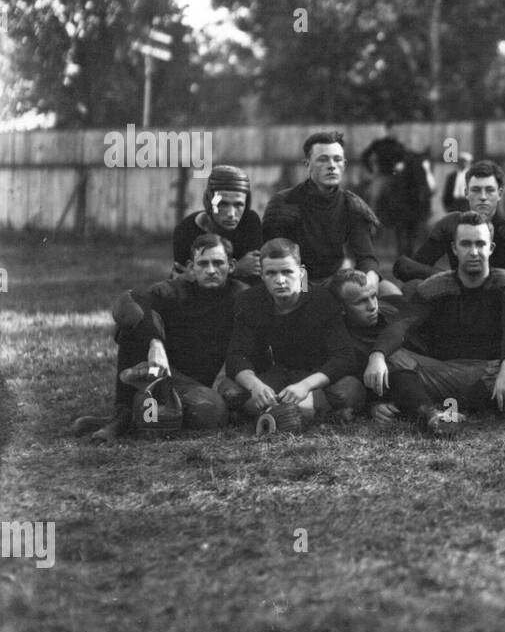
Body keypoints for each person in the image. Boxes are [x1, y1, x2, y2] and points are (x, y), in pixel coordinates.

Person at [364, 213, 505, 437]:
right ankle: (431, 415)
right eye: (466, 244)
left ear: (491, 248)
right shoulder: (434, 286)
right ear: (454, 249)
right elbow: (402, 325)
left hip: (490, 373)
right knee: (390, 357)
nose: (473, 252)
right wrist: (376, 356)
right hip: (443, 374)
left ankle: (412, 401)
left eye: (480, 244)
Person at [71, 234, 247, 443]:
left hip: (188, 384)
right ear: (191, 267)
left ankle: (147, 413)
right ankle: (123, 415)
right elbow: (127, 301)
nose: (211, 270)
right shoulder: (173, 290)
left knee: (212, 413)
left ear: (232, 265)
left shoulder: (241, 295)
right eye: (203, 263)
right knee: (136, 319)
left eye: (218, 263)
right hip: (154, 368)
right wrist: (155, 343)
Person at [226, 238, 365, 426]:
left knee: (350, 390)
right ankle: (299, 413)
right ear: (262, 276)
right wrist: (255, 385)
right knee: (229, 390)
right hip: (272, 376)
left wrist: (306, 386)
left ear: (300, 274)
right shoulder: (249, 300)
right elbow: (236, 355)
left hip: (314, 376)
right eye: (271, 273)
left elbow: (344, 357)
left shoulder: (322, 300)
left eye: (287, 272)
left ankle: (278, 412)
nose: (280, 280)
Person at [263, 131, 384, 292]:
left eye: (337, 159)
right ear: (307, 165)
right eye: (323, 159)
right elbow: (277, 259)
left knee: (390, 292)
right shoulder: (284, 203)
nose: (332, 165)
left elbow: (366, 256)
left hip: (335, 280)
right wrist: (306, 292)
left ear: (344, 165)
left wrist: (370, 279)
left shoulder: (352, 205)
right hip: (294, 282)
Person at [393, 159, 505, 285]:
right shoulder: (450, 225)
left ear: (500, 194)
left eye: (490, 190)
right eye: (476, 190)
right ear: (466, 193)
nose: (483, 197)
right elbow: (414, 267)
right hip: (457, 304)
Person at [328, 268, 403, 423]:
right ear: (341, 308)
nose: (372, 306)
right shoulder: (339, 339)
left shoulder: (389, 312)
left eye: (373, 296)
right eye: (361, 301)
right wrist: (372, 406)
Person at [172, 164, 262, 286]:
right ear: (209, 202)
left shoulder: (250, 222)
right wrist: (235, 269)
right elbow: (187, 282)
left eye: (238, 205)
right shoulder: (185, 231)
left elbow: (254, 273)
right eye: (223, 204)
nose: (231, 214)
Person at [381, 147, 434, 259]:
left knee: (427, 192)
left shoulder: (419, 164)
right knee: (383, 190)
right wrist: (395, 168)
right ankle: (382, 216)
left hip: (414, 195)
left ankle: (426, 211)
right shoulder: (397, 151)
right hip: (394, 174)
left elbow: (423, 182)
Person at [359, 121, 410, 218]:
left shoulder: (400, 146)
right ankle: (371, 220)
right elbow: (365, 156)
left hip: (397, 177)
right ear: (388, 130)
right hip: (382, 176)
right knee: (375, 195)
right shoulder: (379, 144)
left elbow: (406, 159)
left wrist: (402, 164)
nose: (397, 132)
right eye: (394, 129)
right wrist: (370, 171)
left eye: (398, 130)